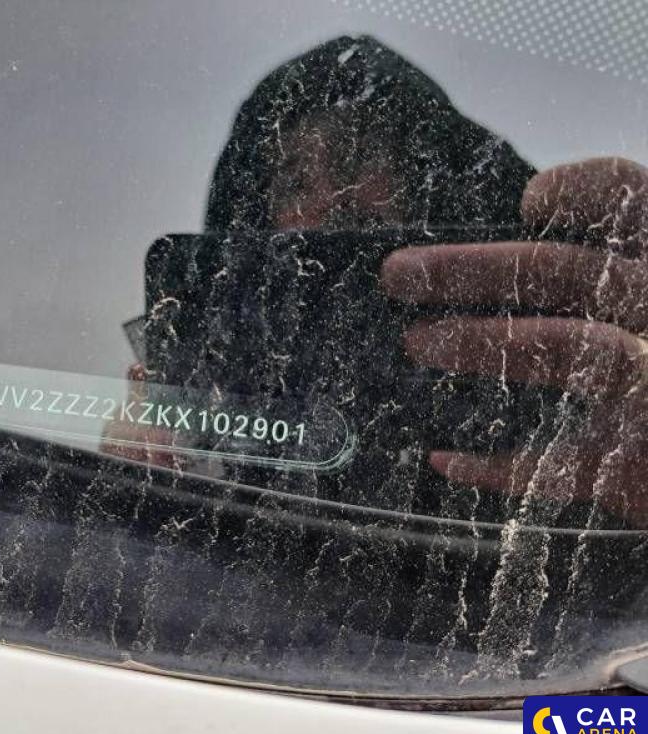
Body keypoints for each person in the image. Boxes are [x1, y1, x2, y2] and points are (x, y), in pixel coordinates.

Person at [109, 35, 648, 528]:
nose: (331, 201)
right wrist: (134, 466)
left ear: (424, 176)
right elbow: (167, 543)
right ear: (257, 215)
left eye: (356, 159)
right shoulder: (222, 382)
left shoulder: (532, 341)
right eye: (294, 181)